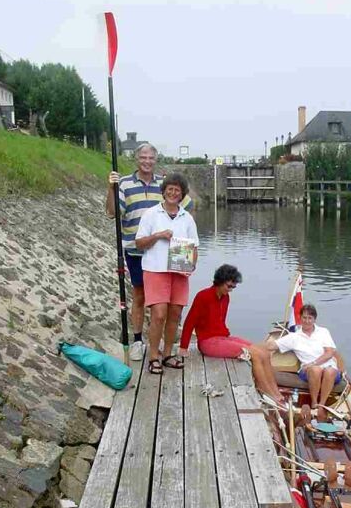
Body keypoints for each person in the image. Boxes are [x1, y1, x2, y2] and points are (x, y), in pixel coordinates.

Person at [106, 143, 193, 360]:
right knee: (140, 295)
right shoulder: (124, 183)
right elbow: (112, 212)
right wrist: (111, 188)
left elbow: (187, 206)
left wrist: (183, 244)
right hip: (136, 248)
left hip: (164, 251)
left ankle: (162, 343)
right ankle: (138, 340)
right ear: (137, 159)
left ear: (156, 160)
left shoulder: (164, 183)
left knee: (167, 302)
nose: (147, 161)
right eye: (143, 157)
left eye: (151, 158)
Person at [178, 265, 284, 405]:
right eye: (229, 286)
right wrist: (183, 346)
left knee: (264, 352)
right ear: (220, 281)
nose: (230, 289)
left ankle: (277, 393)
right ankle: (267, 393)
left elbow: (220, 322)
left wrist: (228, 338)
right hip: (207, 342)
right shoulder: (203, 296)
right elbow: (190, 321)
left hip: (222, 338)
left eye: (233, 287)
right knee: (255, 355)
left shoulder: (225, 297)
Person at [135, 173, 198, 374]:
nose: (173, 193)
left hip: (179, 272)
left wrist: (191, 266)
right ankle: (154, 356)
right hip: (155, 270)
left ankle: (168, 354)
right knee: (159, 314)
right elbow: (139, 243)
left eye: (177, 190)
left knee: (175, 315)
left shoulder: (187, 218)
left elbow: (194, 246)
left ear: (182, 194)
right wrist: (158, 235)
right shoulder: (151, 214)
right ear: (163, 192)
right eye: (170, 189)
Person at [266, 303, 343, 417]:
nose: (307, 321)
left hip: (327, 367)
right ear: (300, 318)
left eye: (310, 318)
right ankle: (314, 403)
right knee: (315, 370)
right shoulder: (294, 337)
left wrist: (314, 363)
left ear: (314, 319)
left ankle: (322, 405)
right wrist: (264, 344)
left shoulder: (323, 332)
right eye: (304, 318)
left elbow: (329, 352)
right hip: (307, 370)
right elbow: (272, 346)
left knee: (330, 371)